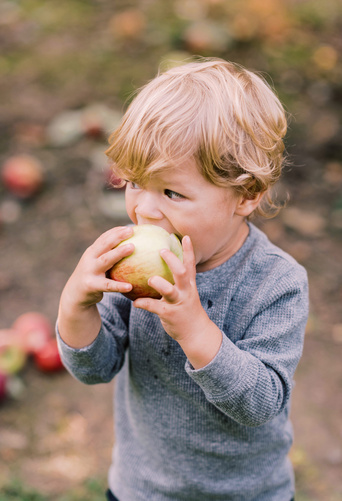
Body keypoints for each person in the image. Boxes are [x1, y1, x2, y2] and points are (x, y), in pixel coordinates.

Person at [57, 58, 309, 501]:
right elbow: (96, 368)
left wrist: (194, 328)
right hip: (143, 489)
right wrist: (76, 306)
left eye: (173, 192)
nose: (146, 211)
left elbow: (261, 403)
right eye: (135, 183)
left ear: (246, 195)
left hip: (248, 493)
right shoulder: (128, 264)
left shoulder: (276, 283)